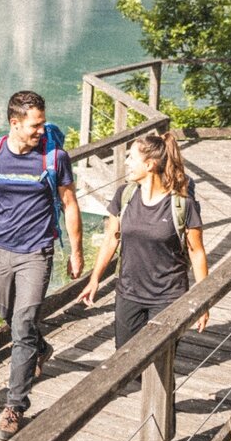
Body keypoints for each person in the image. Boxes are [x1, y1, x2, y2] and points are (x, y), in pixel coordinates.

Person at [0, 90, 83, 441]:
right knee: (7, 314)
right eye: (35, 125)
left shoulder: (54, 158)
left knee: (24, 323)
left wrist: (76, 251)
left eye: (42, 123)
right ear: (15, 123)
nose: (41, 130)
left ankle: (14, 406)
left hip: (36, 251)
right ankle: (41, 347)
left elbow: (70, 204)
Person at [76, 131, 209, 354]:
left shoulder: (182, 205)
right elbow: (111, 238)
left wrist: (202, 300)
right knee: (125, 358)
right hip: (129, 293)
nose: (126, 163)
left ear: (149, 165)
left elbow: (197, 253)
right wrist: (94, 278)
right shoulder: (125, 195)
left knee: (159, 364)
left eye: (131, 158)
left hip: (168, 296)